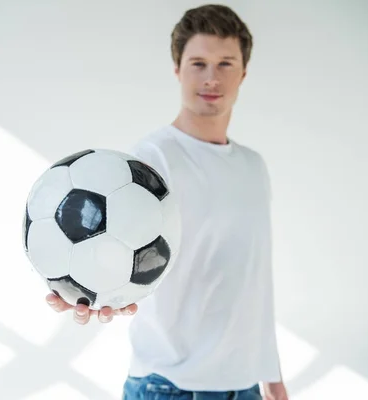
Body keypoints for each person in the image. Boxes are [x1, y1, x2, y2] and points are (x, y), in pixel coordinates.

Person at [45, 4, 289, 400]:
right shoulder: (153, 161)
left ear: (243, 73)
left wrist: (273, 381)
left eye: (226, 63)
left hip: (246, 387)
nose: (212, 77)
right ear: (178, 69)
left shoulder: (253, 166)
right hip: (169, 387)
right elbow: (115, 249)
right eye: (198, 63)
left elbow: (255, 285)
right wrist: (87, 293)